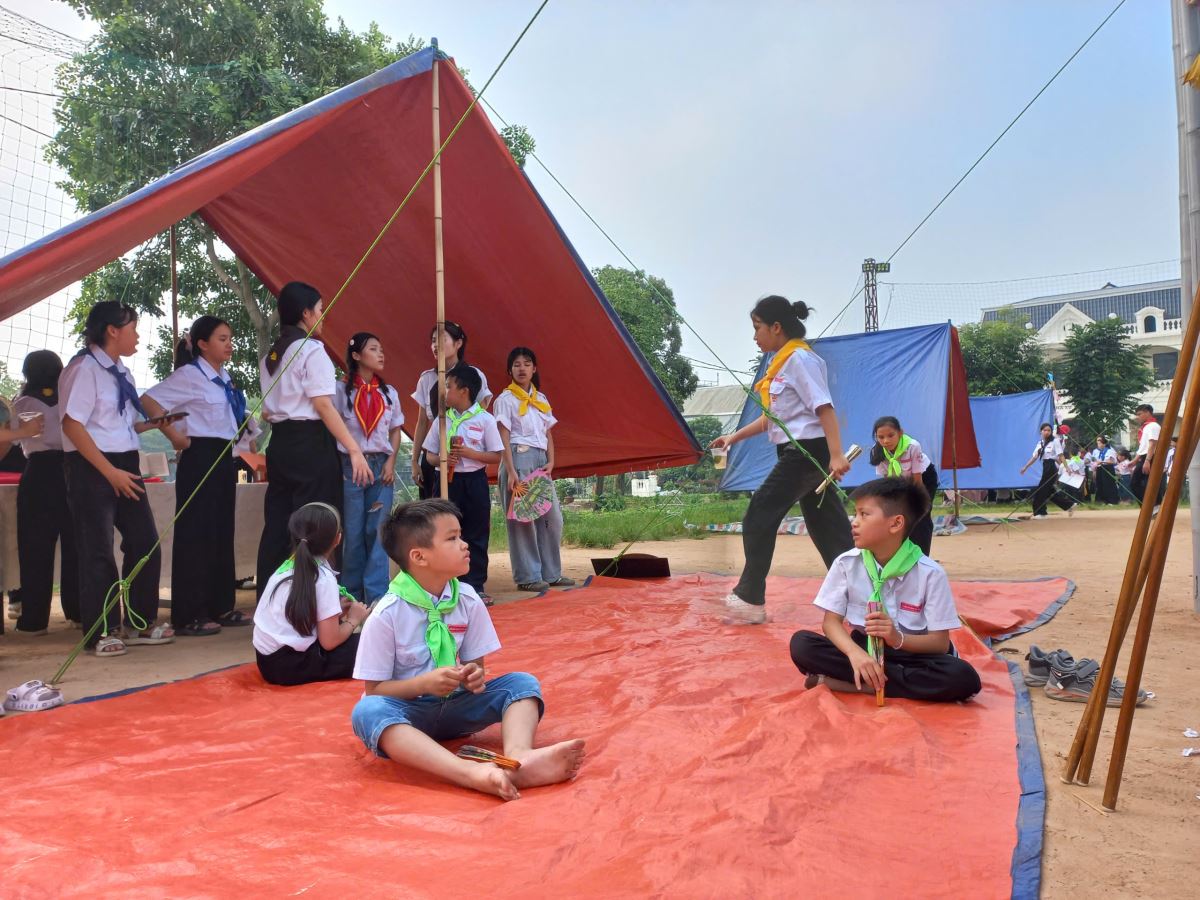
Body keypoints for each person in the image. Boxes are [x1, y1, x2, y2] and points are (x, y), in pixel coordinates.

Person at [350, 499, 586, 801]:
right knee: (368, 711)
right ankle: (470, 773)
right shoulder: (387, 614)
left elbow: (478, 669)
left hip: (456, 706)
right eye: (452, 538)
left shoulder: (468, 600)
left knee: (521, 684)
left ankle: (519, 759)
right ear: (419, 556)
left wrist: (472, 676)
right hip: (409, 714)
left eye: (460, 536)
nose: (464, 545)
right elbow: (374, 690)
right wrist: (424, 684)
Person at [709, 295, 853, 624]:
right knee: (828, 527)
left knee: (760, 512)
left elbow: (824, 408)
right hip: (796, 450)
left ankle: (749, 599)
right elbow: (772, 419)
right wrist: (733, 438)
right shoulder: (780, 364)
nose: (754, 336)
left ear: (776, 327)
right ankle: (859, 593)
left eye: (757, 327)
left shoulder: (800, 359)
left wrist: (836, 455)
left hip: (806, 452)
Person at [789, 477, 981, 702]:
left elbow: (939, 644)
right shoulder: (846, 563)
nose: (854, 522)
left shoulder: (929, 573)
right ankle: (884, 680)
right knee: (802, 645)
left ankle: (863, 685)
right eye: (855, 514)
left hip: (914, 652)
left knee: (962, 677)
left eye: (864, 514)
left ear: (896, 523)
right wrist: (855, 655)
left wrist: (896, 638)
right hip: (865, 647)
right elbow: (830, 623)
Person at [59, 301, 177, 656]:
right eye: (133, 328)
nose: (137, 336)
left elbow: (116, 424)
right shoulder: (85, 368)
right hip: (92, 464)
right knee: (97, 549)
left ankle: (140, 621)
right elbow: (72, 425)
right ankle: (102, 630)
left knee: (144, 542)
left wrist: (150, 425)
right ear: (112, 330)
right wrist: (108, 472)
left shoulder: (121, 372)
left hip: (124, 460)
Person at [143, 316, 259, 636]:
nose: (229, 344)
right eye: (222, 339)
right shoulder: (190, 375)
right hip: (199, 455)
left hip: (224, 456)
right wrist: (175, 437)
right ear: (203, 344)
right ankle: (189, 613)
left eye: (230, 338)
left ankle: (221, 605)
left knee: (221, 530)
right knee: (196, 533)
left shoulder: (224, 378)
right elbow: (149, 401)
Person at [256, 281, 372, 599]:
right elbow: (322, 404)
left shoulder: (271, 355)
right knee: (318, 522)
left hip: (281, 443)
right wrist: (353, 448)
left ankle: (272, 600)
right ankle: (316, 601)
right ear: (306, 313)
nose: (323, 316)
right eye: (320, 310)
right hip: (309, 442)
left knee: (279, 522)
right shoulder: (311, 349)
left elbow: (268, 410)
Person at [252, 502, 369, 685]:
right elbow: (329, 642)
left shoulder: (287, 567)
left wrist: (335, 610)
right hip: (292, 666)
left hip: (267, 662)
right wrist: (354, 619)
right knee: (371, 643)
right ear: (338, 539)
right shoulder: (323, 578)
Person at [494, 346, 574, 593]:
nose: (522, 368)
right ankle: (528, 576)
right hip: (518, 457)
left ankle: (551, 573)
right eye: (516, 364)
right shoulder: (505, 400)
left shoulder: (541, 399)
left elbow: (548, 433)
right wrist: (511, 470)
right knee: (522, 520)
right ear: (510, 370)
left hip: (540, 460)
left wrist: (552, 461)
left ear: (534, 368)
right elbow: (503, 436)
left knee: (552, 518)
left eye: (526, 364)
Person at [11, 350, 79, 633]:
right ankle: (79, 612)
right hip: (72, 469)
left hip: (38, 473)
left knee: (35, 547)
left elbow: (13, 440)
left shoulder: (22, 403)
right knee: (76, 545)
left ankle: (34, 619)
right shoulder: (70, 399)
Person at [422, 363, 503, 601]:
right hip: (446, 481)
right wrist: (443, 459)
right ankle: (446, 584)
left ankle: (475, 586)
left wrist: (470, 453)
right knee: (445, 531)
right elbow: (429, 456)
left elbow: (496, 456)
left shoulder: (485, 420)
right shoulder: (442, 420)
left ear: (464, 391)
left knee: (476, 532)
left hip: (474, 481)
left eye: (448, 386)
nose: (444, 391)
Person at [337, 332, 405, 604]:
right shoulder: (340, 391)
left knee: (377, 531)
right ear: (356, 355)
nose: (381, 354)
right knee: (352, 532)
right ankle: (351, 596)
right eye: (373, 349)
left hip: (380, 465)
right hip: (350, 466)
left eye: (381, 349)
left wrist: (391, 461)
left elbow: (396, 430)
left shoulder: (389, 393)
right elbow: (333, 427)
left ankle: (377, 596)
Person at [410, 322, 493, 500]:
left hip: (463, 459)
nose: (436, 345)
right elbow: (422, 422)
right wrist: (415, 461)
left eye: (442, 339)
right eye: (433, 340)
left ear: (458, 343)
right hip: (434, 454)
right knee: (433, 509)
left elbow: (480, 413)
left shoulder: (473, 375)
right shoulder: (426, 378)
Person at [869, 415, 939, 555]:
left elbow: (917, 481)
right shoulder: (877, 452)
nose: (886, 440)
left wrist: (916, 501)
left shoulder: (913, 446)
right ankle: (903, 555)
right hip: (899, 482)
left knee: (920, 515)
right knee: (898, 516)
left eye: (891, 435)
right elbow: (887, 481)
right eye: (881, 437)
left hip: (923, 479)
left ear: (900, 433)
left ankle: (921, 556)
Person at [1019, 422, 1075, 519]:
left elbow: (1060, 455)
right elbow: (1034, 457)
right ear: (1041, 431)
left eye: (1049, 430)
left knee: (1041, 490)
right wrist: (1025, 467)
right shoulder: (1040, 443)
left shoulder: (1055, 441)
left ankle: (1041, 513)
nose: (1047, 432)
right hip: (1045, 466)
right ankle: (1069, 505)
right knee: (1048, 491)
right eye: (1045, 430)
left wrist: (1067, 467)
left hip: (1051, 467)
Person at [1088, 436, 1119, 505]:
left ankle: (1111, 501)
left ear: (1104, 443)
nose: (1098, 445)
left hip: (1108, 468)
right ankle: (1101, 500)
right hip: (1100, 468)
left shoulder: (1110, 450)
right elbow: (1094, 460)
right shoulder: (1098, 451)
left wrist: (1102, 462)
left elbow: (1112, 461)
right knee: (1100, 484)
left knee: (1108, 485)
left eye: (1099, 443)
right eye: (1097, 443)